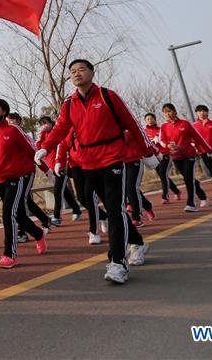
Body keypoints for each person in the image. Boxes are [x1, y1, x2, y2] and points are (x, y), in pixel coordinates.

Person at [36, 59, 151, 284]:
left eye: (81, 70)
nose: (77, 74)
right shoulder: (69, 104)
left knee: (116, 210)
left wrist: (148, 151)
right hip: (88, 164)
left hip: (113, 160)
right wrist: (45, 148)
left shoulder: (108, 97)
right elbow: (60, 130)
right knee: (111, 208)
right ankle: (137, 242)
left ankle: (117, 263)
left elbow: (132, 123)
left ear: (92, 72)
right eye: (72, 72)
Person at [0, 99, 48, 268]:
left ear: (4, 111)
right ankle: (38, 233)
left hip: (17, 178)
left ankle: (10, 254)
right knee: (19, 215)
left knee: (8, 213)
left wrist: (46, 170)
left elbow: (31, 151)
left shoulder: (13, 130)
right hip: (0, 179)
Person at [158, 103, 211, 212]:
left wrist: (209, 150)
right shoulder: (164, 126)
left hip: (189, 155)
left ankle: (191, 204)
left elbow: (198, 138)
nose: (167, 114)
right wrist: (167, 145)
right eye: (165, 112)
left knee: (188, 179)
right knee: (189, 178)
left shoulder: (185, 124)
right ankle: (202, 196)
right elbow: (161, 140)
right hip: (176, 156)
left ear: (175, 111)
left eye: (169, 111)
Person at [8, 112, 51, 241]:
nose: (10, 123)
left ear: (19, 122)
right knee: (24, 201)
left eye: (13, 121)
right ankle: (44, 219)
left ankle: (23, 232)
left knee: (22, 201)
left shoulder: (24, 136)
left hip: (27, 171)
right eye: (8, 121)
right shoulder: (7, 136)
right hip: (14, 173)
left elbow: (34, 153)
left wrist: (46, 170)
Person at [39, 116, 82, 226]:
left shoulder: (57, 133)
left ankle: (57, 216)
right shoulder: (43, 135)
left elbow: (63, 145)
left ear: (51, 122)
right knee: (65, 192)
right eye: (42, 124)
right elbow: (38, 147)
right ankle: (77, 209)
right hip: (53, 168)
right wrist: (41, 136)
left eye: (46, 123)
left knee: (58, 191)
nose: (44, 126)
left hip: (63, 166)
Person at [143, 113, 181, 204]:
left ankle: (165, 196)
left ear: (155, 119)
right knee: (162, 175)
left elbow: (168, 140)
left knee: (163, 174)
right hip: (154, 157)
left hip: (164, 155)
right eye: (148, 119)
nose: (150, 120)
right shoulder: (144, 131)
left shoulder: (161, 129)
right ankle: (176, 191)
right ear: (145, 121)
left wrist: (159, 140)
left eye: (151, 119)